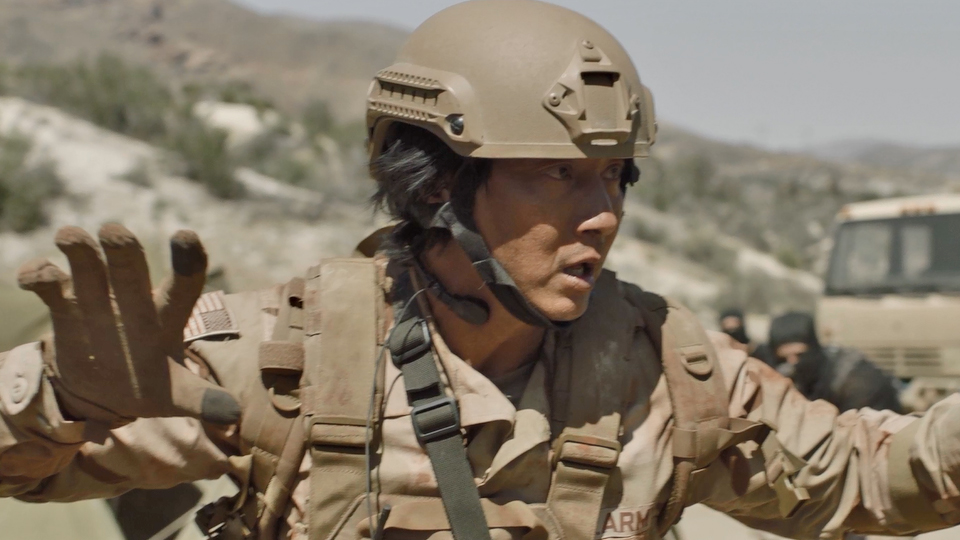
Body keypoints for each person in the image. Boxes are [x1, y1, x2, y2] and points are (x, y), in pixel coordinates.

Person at [1, 2, 959, 540]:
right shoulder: (279, 357)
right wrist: (59, 405)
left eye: (615, 176)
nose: (604, 213)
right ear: (436, 183)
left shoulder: (667, 371)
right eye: (558, 176)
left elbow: (870, 477)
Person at [768, 312, 903, 414]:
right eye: (783, 358)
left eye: (800, 354)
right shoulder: (790, 376)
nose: (792, 363)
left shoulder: (855, 379)